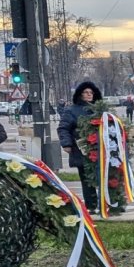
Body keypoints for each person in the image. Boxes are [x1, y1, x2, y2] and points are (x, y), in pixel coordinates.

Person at [57, 82, 104, 213]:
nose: (89, 95)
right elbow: (63, 128)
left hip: (101, 149)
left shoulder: (100, 109)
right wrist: (66, 144)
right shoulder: (71, 110)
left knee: (104, 176)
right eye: (86, 93)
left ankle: (108, 204)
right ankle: (91, 206)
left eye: (91, 93)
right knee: (86, 178)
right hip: (81, 149)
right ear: (80, 94)